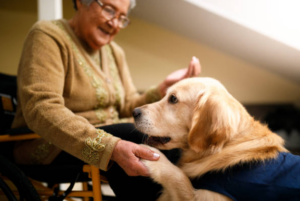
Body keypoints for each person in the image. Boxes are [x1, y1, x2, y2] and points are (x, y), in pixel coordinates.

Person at [11, 0, 201, 200]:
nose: (115, 24)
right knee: (140, 139)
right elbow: (40, 109)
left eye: (122, 18)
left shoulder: (114, 52)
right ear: (80, 2)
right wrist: (109, 147)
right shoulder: (48, 35)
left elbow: (129, 104)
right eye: (109, 10)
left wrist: (161, 89)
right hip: (49, 146)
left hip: (110, 132)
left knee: (167, 137)